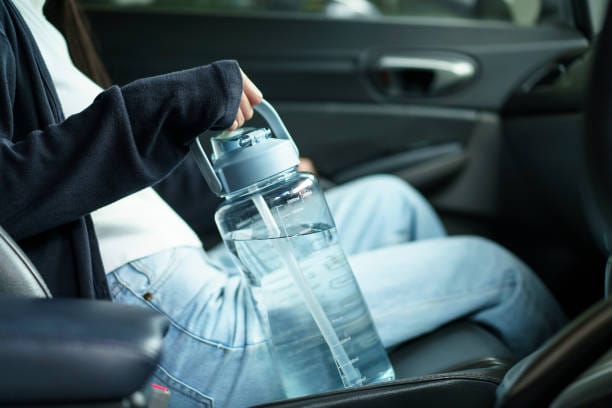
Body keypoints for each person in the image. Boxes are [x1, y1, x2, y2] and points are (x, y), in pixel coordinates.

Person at [0, 0, 565, 406]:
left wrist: (238, 181)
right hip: (152, 315)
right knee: (495, 272)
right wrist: (170, 106)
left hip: (180, 262)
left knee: (394, 202)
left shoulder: (33, 16)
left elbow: (98, 179)